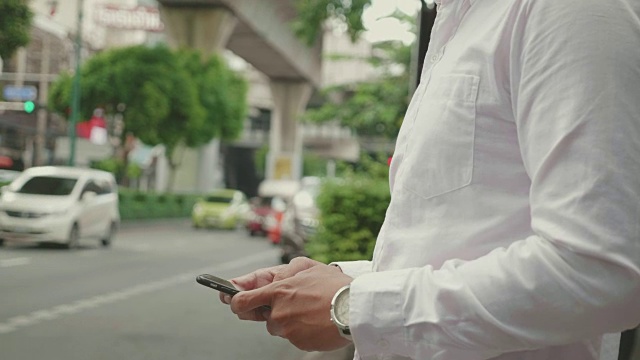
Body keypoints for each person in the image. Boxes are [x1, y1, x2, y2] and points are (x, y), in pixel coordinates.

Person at [220, 0, 640, 359]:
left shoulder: (569, 10)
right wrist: (342, 283)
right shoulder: (458, 23)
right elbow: (461, 244)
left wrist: (355, 307)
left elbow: (604, 269)